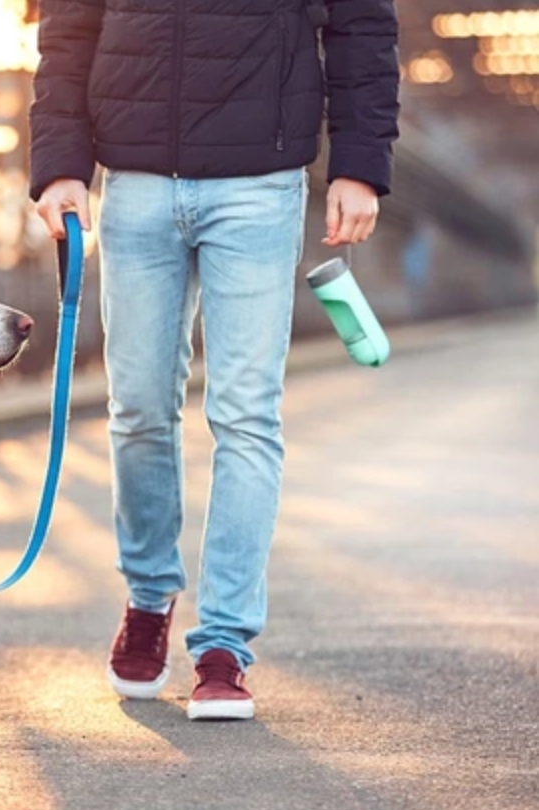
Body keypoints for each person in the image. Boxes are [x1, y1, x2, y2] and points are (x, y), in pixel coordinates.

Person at [28, 0, 399, 719]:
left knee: (246, 414)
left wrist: (360, 164)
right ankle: (146, 598)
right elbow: (68, 30)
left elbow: (362, 26)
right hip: (133, 182)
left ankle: (224, 645)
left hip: (260, 184)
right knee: (136, 409)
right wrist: (60, 167)